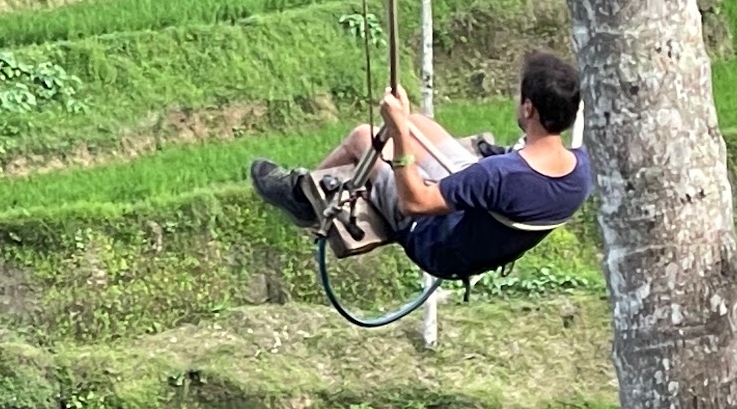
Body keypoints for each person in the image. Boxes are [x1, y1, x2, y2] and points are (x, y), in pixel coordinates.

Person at [247, 51, 593, 283]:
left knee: (364, 137)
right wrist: (406, 125)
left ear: (529, 109)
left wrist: (396, 134)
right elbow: (515, 179)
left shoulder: (497, 174)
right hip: (486, 216)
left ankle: (303, 198)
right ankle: (395, 132)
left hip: (434, 239)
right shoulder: (580, 169)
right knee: (418, 123)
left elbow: (416, 202)